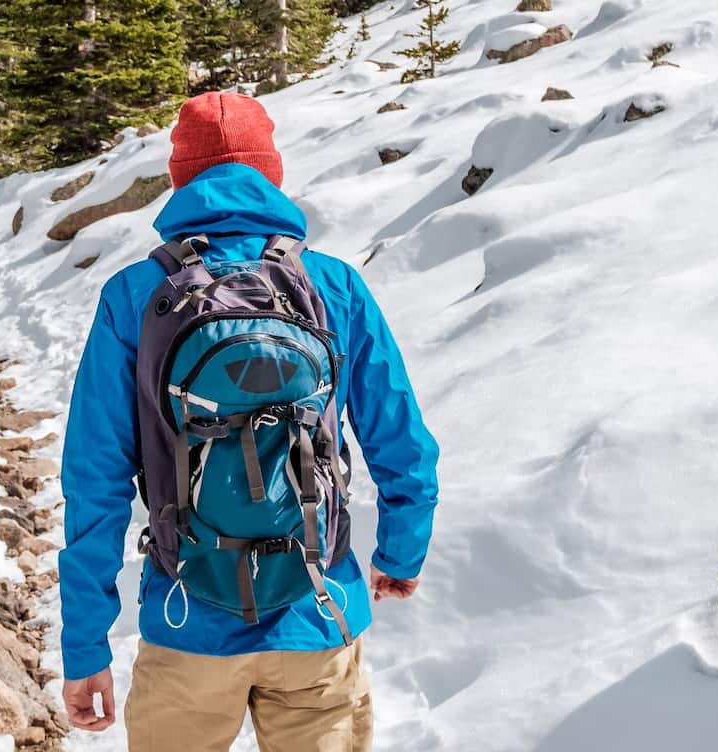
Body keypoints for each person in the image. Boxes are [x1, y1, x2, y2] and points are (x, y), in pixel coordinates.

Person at [59, 91, 439, 750]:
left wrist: (86, 644)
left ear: (180, 180)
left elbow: (95, 481)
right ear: (272, 173)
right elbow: (402, 442)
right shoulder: (333, 285)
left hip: (186, 624)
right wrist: (400, 554)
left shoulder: (135, 296)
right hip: (318, 614)